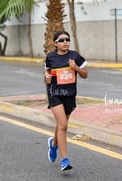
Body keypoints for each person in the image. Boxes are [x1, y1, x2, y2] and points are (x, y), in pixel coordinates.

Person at [44, 30, 88, 171]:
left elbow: (85, 75)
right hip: (55, 94)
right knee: (63, 125)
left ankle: (53, 144)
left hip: (69, 95)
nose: (65, 43)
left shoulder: (75, 56)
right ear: (55, 43)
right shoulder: (50, 57)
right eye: (62, 40)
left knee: (61, 125)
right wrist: (47, 78)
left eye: (67, 40)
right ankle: (64, 160)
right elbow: (47, 73)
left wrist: (75, 67)